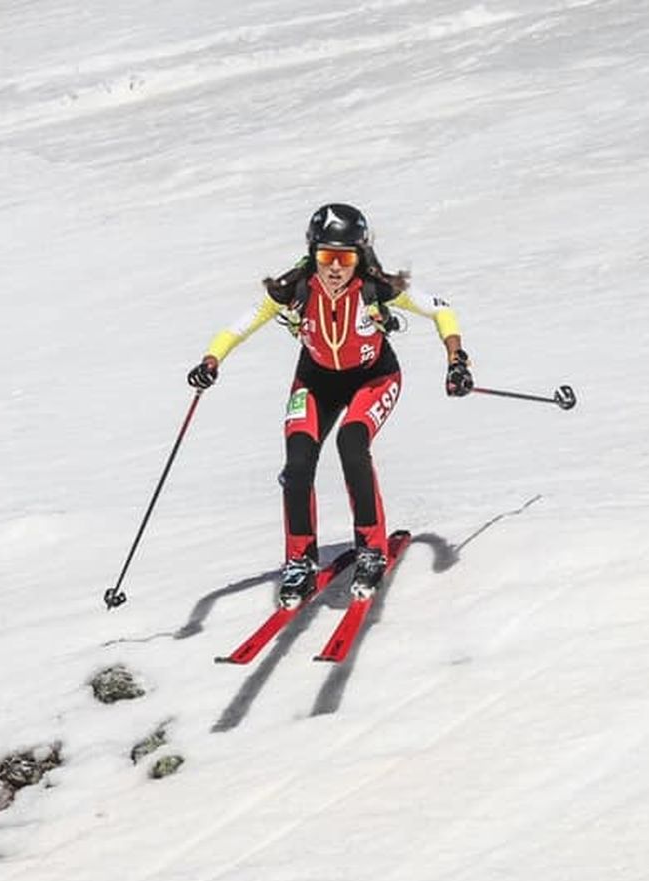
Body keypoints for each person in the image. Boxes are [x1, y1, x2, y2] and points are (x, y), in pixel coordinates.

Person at [186, 203, 474, 607]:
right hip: (316, 380)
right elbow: (239, 326)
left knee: (351, 443)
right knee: (298, 461)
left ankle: (371, 549)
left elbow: (441, 309)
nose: (335, 268)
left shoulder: (377, 287)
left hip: (373, 377)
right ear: (312, 254)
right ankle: (299, 561)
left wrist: (456, 360)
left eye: (344, 257)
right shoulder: (295, 289)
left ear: (359, 256)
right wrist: (211, 361)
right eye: (325, 256)